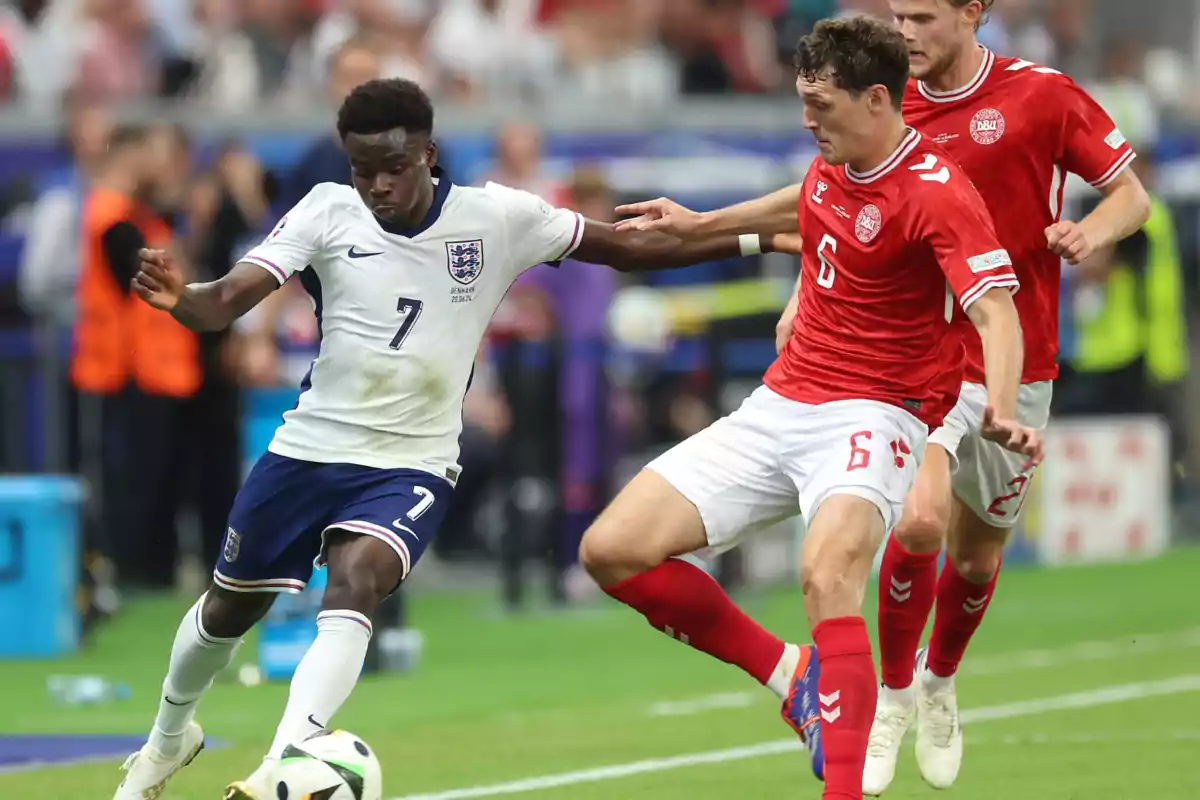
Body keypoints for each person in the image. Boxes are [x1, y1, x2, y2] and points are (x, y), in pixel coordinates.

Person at [111, 77, 797, 800]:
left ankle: (284, 759)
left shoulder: (497, 217)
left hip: (411, 462)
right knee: (225, 611)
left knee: (357, 581)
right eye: (362, 169)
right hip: (309, 449)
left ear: (429, 154)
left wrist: (752, 233)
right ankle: (168, 739)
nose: (377, 184)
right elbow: (223, 302)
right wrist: (179, 299)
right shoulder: (325, 211)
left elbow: (625, 250)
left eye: (394, 167)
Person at [578, 16, 1041, 800]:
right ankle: (789, 672)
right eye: (802, 100)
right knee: (611, 549)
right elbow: (804, 201)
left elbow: (997, 312)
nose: (806, 118)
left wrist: (1000, 406)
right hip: (781, 402)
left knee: (826, 572)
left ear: (876, 99)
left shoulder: (937, 192)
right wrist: (703, 222)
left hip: (876, 416)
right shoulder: (837, 157)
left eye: (820, 103)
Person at [842, 2, 1151, 793]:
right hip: (919, 356)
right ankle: (894, 691)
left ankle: (940, 680)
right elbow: (841, 209)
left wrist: (1092, 232)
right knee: (916, 520)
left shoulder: (1042, 95)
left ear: (972, 13)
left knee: (977, 556)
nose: (903, 31)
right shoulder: (884, 101)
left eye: (921, 15)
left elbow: (1132, 197)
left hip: (1021, 359)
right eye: (894, 14)